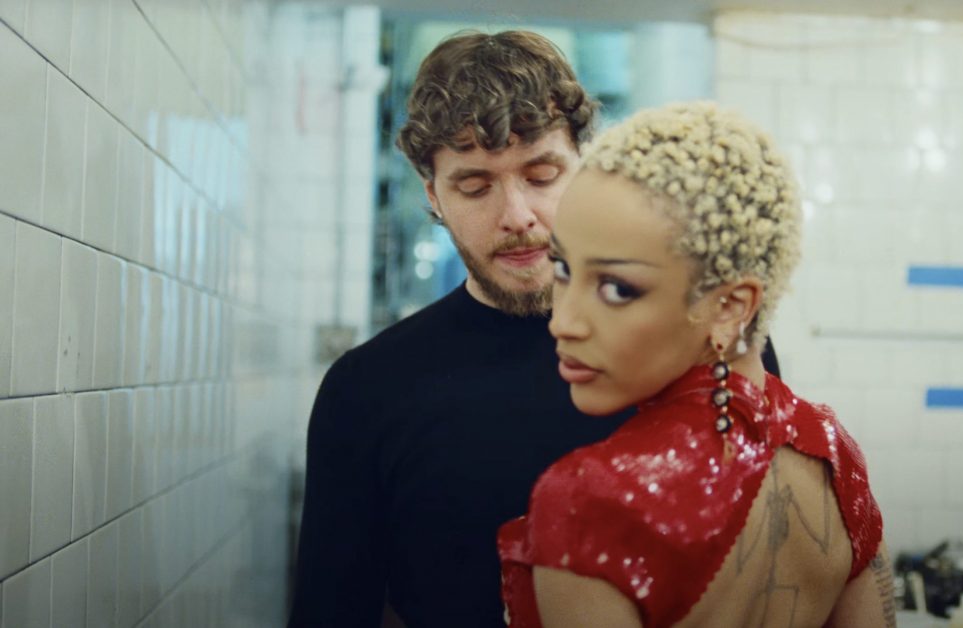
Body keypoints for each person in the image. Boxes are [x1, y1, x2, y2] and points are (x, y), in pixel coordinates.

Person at [288, 31, 782, 627]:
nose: (516, 215)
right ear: (434, 196)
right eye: (475, 186)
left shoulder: (703, 340)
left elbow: (777, 563)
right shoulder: (367, 389)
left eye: (542, 176)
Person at [498, 102, 893, 627]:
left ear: (729, 307)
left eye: (617, 288)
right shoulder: (832, 452)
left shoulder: (590, 501)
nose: (563, 321)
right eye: (564, 268)